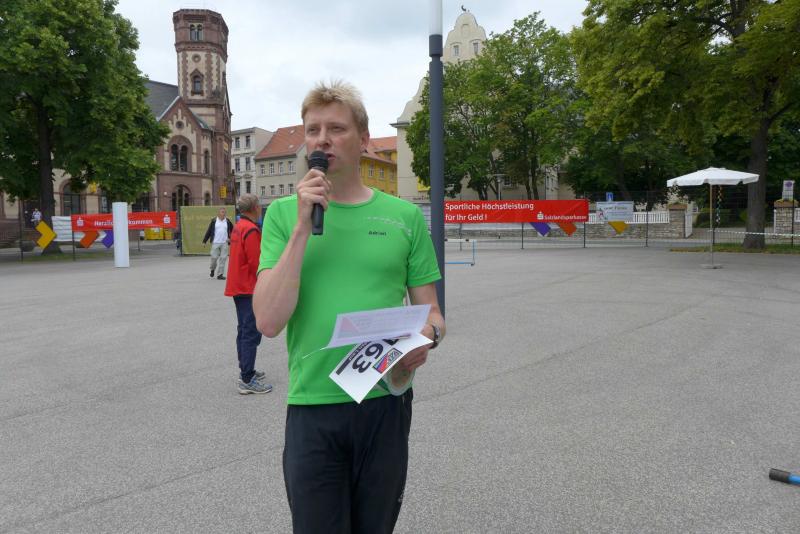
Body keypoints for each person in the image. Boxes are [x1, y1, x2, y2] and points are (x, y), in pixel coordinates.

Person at [253, 80, 445, 533]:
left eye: (336, 129)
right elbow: (268, 321)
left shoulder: (405, 217)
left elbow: (433, 314)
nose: (322, 140)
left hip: (384, 402)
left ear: (362, 140)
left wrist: (428, 337)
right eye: (312, 130)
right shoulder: (282, 215)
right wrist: (302, 228)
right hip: (313, 406)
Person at [224, 194, 272, 395]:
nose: (260, 208)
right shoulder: (251, 230)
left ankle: (246, 369)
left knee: (243, 329)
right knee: (251, 331)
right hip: (249, 287)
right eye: (259, 205)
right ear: (254, 208)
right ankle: (246, 378)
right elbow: (256, 262)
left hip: (238, 286)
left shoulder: (239, 226)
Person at [202, 207, 233, 280]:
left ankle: (220, 274)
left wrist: (230, 238)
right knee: (214, 258)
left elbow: (233, 230)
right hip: (215, 242)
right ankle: (212, 269)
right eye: (222, 212)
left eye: (224, 212)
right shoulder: (214, 221)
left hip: (224, 243)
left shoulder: (227, 221)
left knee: (223, 259)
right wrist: (204, 241)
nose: (223, 213)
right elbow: (209, 231)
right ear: (219, 213)